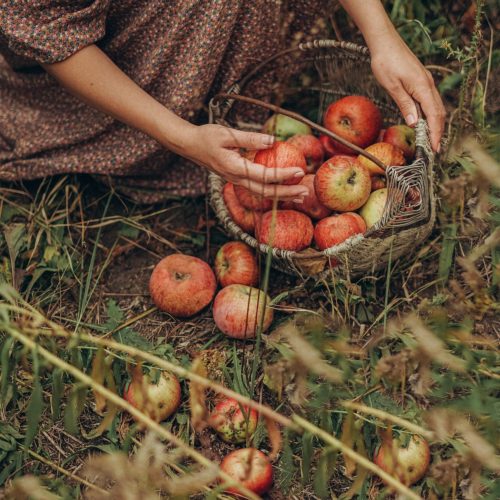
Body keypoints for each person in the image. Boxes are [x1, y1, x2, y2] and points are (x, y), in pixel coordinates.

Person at [0, 1, 445, 204]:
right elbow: (52, 32)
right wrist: (182, 137)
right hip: (114, 56)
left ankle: (225, 92)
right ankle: (154, 137)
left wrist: (382, 36)